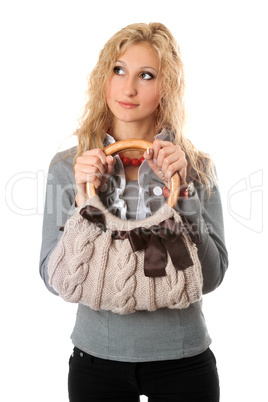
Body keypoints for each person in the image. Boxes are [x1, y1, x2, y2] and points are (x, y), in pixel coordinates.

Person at [40, 22, 228, 402]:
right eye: (118, 70)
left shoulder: (195, 166)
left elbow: (210, 277)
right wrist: (84, 201)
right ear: (103, 77)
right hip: (96, 360)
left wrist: (183, 191)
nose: (129, 88)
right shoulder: (68, 167)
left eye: (146, 75)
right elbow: (53, 278)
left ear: (166, 88)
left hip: (184, 359)